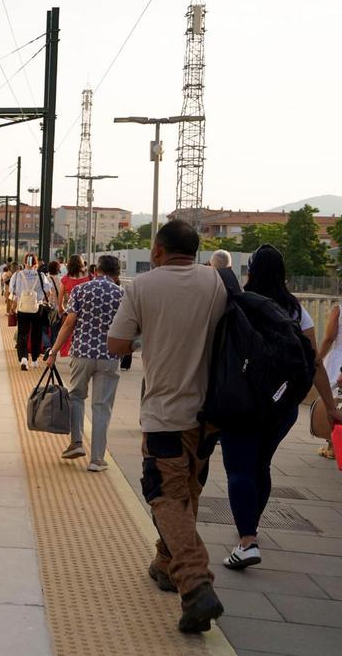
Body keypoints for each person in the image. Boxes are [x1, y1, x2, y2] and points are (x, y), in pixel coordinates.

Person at [107, 220, 228, 633]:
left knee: (164, 495)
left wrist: (149, 332)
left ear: (158, 250)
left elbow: (117, 344)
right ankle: (164, 562)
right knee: (189, 490)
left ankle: (195, 586)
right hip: (209, 416)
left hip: (163, 413)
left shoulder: (142, 287)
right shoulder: (216, 283)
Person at [219, 245, 342, 570]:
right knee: (261, 464)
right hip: (282, 404)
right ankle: (251, 527)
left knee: (240, 469)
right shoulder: (294, 309)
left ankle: (247, 541)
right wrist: (330, 407)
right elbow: (313, 360)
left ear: (252, 272)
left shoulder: (236, 304)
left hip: (241, 401)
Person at [46, 254, 124, 472]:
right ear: (116, 275)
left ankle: (76, 443)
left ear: (96, 271)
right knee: (101, 407)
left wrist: (53, 352)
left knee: (76, 397)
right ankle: (97, 460)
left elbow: (69, 322)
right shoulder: (121, 293)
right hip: (108, 357)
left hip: (81, 352)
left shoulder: (81, 290)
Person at [9, 253, 56, 370]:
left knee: (22, 333)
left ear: (25, 262)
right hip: (37, 308)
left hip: (22, 308)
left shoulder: (17, 275)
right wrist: (42, 300)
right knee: (36, 333)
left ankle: (23, 359)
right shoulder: (41, 275)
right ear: (36, 263)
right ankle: (34, 360)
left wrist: (12, 307)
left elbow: (13, 293)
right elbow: (49, 292)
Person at [317, 302, 342, 460]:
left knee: (333, 402)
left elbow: (329, 338)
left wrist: (318, 358)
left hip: (338, 359)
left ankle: (333, 447)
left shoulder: (338, 309)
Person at [57, 254, 91, 358]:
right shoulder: (89, 278)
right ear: (81, 264)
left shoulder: (65, 279)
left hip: (70, 310)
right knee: (84, 332)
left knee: (66, 332)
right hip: (86, 311)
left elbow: (61, 296)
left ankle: (65, 353)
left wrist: (61, 308)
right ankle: (82, 351)